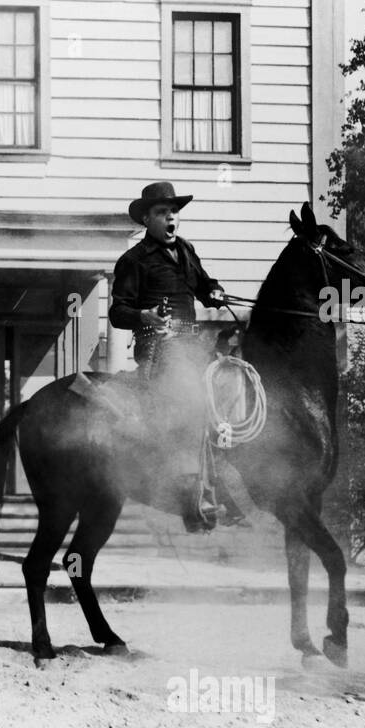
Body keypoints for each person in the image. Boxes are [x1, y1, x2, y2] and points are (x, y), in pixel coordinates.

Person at [108, 181, 240, 532]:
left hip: (195, 347)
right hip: (158, 350)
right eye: (162, 213)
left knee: (235, 387)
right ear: (147, 220)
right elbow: (117, 312)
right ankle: (195, 495)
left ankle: (235, 482)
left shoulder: (186, 250)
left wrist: (215, 291)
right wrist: (143, 316)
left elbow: (204, 286)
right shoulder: (134, 260)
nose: (171, 219)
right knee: (194, 402)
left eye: (174, 212)